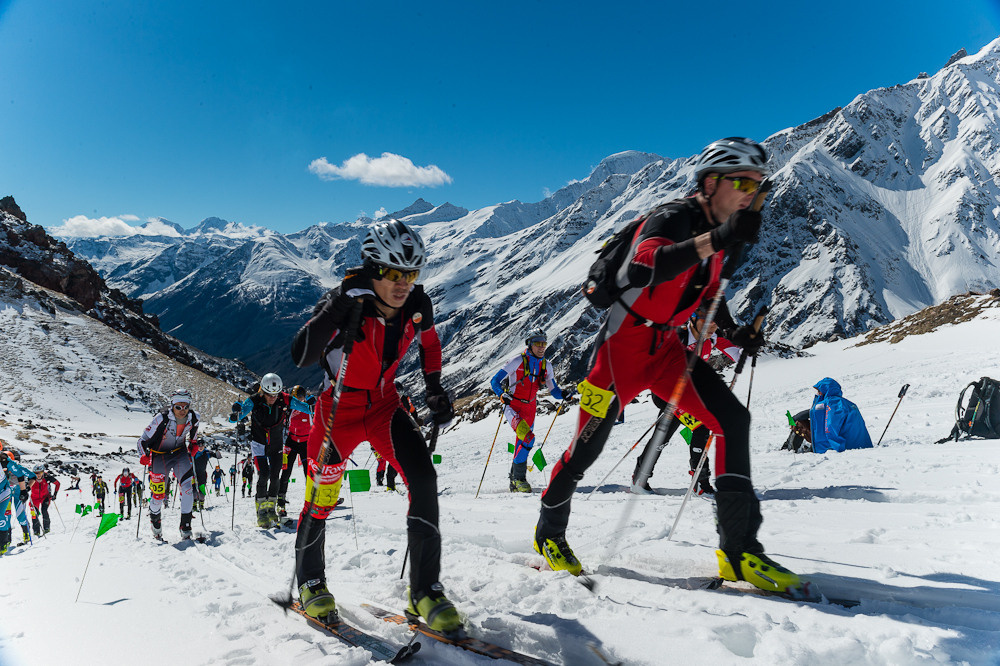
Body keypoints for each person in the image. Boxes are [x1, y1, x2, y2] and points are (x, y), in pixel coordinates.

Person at [533, 137, 805, 595]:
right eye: (742, 182)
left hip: (668, 351)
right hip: (620, 352)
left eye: (758, 185)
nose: (751, 193)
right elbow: (648, 263)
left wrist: (735, 334)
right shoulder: (673, 217)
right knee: (587, 450)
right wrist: (720, 237)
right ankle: (549, 533)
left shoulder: (726, 236)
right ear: (711, 182)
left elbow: (707, 299)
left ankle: (739, 552)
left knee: (731, 421)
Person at [289, 218, 461, 632]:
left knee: (422, 478)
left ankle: (424, 591)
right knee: (322, 497)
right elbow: (301, 354)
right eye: (394, 273)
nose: (404, 283)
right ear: (373, 268)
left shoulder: (417, 306)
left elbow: (431, 345)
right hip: (337, 413)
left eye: (412, 273)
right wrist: (335, 308)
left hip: (385, 406)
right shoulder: (346, 303)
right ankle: (311, 582)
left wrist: (434, 387)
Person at [631, 304, 742, 495]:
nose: (711, 328)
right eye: (707, 323)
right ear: (693, 320)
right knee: (701, 425)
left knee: (664, 434)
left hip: (686, 394)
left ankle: (640, 477)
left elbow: (737, 354)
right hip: (664, 392)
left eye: (715, 324)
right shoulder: (677, 337)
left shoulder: (713, 339)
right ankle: (701, 483)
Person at [490, 329, 570, 492]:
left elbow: (553, 390)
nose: (542, 347)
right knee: (528, 439)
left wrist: (563, 394)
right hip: (513, 407)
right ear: (530, 344)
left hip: (530, 408)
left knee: (522, 443)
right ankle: (519, 479)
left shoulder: (546, 365)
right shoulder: (517, 360)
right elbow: (494, 381)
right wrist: (501, 394)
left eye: (544, 344)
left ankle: (514, 481)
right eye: (538, 343)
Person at [230, 375, 312, 527]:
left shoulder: (284, 399)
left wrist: (312, 406)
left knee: (275, 476)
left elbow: (303, 407)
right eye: (269, 394)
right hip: (259, 443)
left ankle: (271, 508)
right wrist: (236, 411)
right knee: (264, 474)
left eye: (275, 394)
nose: (273, 397)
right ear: (262, 392)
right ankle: (261, 511)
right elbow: (235, 418)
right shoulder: (253, 400)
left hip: (276, 443)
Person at [137, 389, 201, 539]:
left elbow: (194, 436)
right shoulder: (161, 418)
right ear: (172, 405)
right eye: (178, 407)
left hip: (179, 453)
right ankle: (155, 520)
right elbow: (142, 440)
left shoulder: (194, 418)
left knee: (187, 489)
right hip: (160, 456)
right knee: (159, 495)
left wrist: (194, 444)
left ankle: (185, 525)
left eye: (186, 407)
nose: (182, 410)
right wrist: (143, 456)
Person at [277, 386, 314, 520]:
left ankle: (312, 502)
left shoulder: (308, 405)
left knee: (308, 473)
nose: (300, 399)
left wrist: (312, 402)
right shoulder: (290, 408)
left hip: (305, 443)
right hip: (291, 442)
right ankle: (281, 503)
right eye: (297, 396)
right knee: (286, 472)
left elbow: (313, 403)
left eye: (301, 396)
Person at [810, 378, 873, 453]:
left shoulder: (833, 403)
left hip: (848, 449)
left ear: (825, 390)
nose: (818, 393)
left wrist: (836, 448)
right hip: (861, 445)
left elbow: (831, 426)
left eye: (819, 391)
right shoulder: (846, 403)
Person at [1, 453, 34, 553]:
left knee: (20, 515)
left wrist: (27, 488)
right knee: (6, 516)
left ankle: (26, 535)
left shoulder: (17, 468)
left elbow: (32, 476)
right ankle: (7, 540)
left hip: (18, 493)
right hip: (7, 493)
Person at [29, 464, 60, 535]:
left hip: (45, 497)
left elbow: (57, 484)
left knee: (44, 511)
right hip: (34, 498)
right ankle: (36, 531)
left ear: (43, 472)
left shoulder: (47, 477)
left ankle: (46, 529)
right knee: (34, 514)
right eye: (36, 473)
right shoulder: (30, 478)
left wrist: (55, 495)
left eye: (40, 472)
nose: (38, 475)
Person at [192, 445, 221, 511]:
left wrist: (217, 451)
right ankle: (194, 505)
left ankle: (201, 504)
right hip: (193, 475)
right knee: (194, 491)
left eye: (202, 445)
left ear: (204, 446)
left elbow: (218, 456)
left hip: (202, 475)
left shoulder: (207, 453)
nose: (200, 447)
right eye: (199, 445)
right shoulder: (193, 452)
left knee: (202, 491)